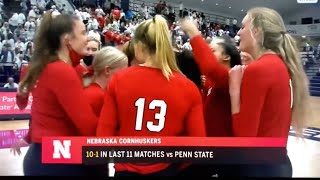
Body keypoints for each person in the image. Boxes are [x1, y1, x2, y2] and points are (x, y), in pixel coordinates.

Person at [96, 15, 206, 176]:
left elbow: (103, 135)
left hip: (126, 168)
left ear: (139, 46)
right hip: (166, 169)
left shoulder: (120, 79)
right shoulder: (188, 88)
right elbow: (198, 144)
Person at [228, 7, 311, 177]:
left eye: (243, 27)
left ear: (257, 32)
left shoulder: (259, 69)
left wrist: (234, 89)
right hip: (277, 163)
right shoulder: (280, 64)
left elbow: (244, 137)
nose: (238, 33)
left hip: (259, 168)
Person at [15, 11, 98, 176]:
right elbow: (88, 127)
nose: (87, 38)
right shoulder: (62, 71)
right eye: (83, 33)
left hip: (44, 156)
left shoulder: (46, 66)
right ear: (67, 39)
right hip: (58, 160)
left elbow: (45, 115)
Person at [178, 19, 241, 177]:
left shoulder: (233, 77)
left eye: (212, 51)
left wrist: (193, 32)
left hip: (223, 154)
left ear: (226, 56)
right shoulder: (211, 82)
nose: (207, 55)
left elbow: (210, 66)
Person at [84, 46, 128, 117]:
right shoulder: (100, 97)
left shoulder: (92, 90)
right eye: (122, 72)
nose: (124, 76)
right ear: (107, 71)